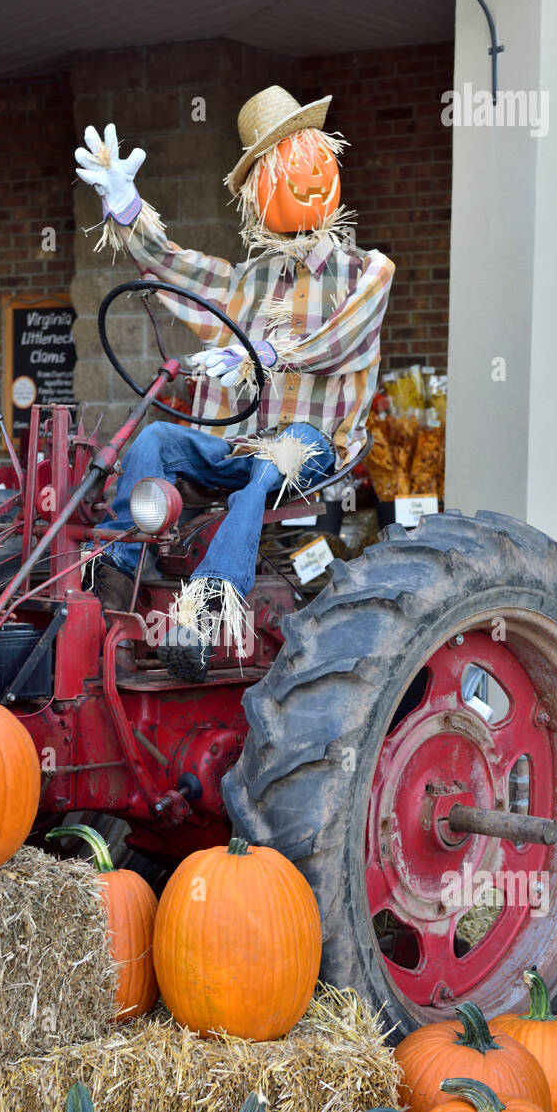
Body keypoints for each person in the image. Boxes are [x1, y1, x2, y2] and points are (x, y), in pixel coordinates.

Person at [76, 85, 395, 679]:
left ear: (328, 159)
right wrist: (126, 209)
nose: (304, 179)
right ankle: (119, 569)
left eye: (309, 159)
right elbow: (176, 265)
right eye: (280, 169)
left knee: (263, 476)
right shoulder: (248, 278)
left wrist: (263, 355)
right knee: (155, 443)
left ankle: (203, 613)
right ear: (256, 192)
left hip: (314, 444)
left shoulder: (365, 272)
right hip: (243, 444)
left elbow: (342, 342)